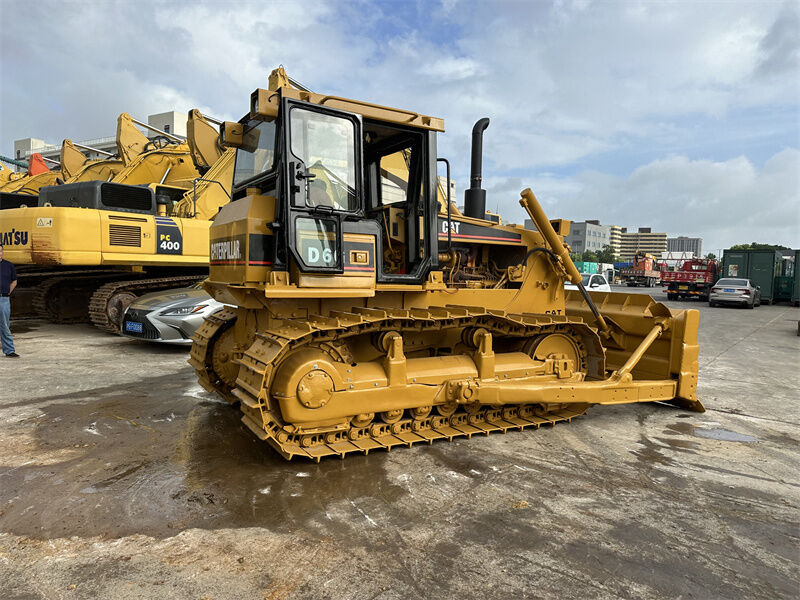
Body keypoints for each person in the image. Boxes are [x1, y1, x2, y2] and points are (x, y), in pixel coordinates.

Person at [0, 244, 19, 358]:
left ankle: (9, 350)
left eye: (1, 251)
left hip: (3, 299)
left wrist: (6, 294)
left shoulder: (9, 265)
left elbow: (14, 281)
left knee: (5, 326)